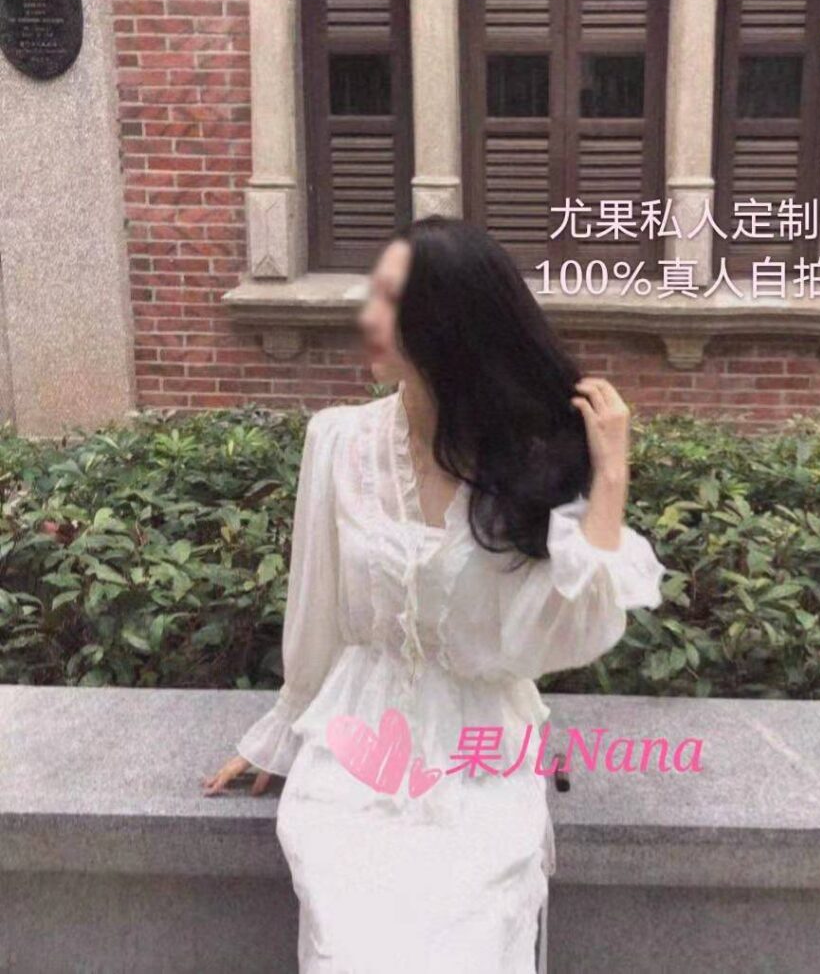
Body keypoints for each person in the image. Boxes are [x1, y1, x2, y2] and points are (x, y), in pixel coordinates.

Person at [202, 215, 665, 972]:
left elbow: (568, 633)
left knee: (473, 934)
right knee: (351, 946)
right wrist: (282, 733)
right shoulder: (337, 442)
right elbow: (316, 609)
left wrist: (610, 475)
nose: (367, 317)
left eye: (391, 301)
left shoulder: (524, 465)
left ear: (449, 326)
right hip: (356, 746)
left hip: (480, 753)